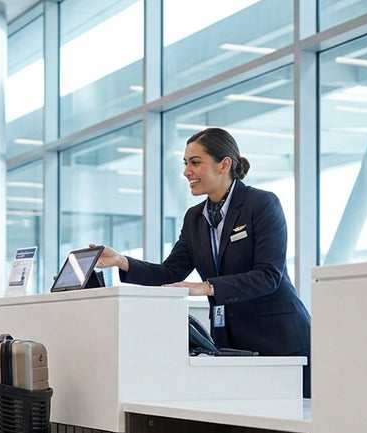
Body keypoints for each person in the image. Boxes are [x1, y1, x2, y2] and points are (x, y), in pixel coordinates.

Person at [94, 127, 312, 396]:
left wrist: (207, 287)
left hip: (281, 341)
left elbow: (268, 275)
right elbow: (171, 271)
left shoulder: (262, 204)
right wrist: (121, 261)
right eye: (185, 164)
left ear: (224, 164)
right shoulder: (194, 218)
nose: (187, 172)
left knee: (294, 429)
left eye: (195, 163)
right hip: (230, 344)